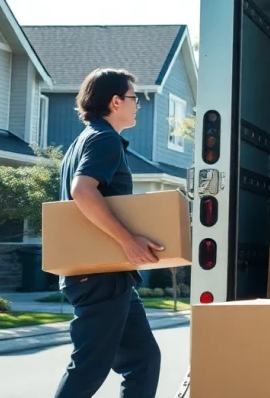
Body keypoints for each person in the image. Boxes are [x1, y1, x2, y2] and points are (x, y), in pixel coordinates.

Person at [54, 68, 164, 398]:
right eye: (134, 98)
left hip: (108, 275)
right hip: (99, 276)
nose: (138, 105)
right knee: (89, 367)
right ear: (116, 102)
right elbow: (83, 191)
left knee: (143, 359)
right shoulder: (104, 139)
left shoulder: (84, 141)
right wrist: (128, 241)